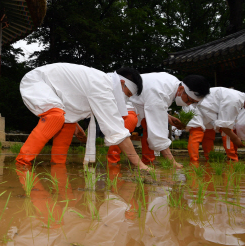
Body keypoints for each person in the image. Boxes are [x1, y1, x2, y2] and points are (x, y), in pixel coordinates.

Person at [16, 63, 149, 170]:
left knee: (67, 125)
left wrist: (74, 123)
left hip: (53, 90)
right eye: (128, 94)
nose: (125, 99)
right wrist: (140, 165)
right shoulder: (102, 86)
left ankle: (57, 166)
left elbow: (70, 102)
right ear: (121, 83)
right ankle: (22, 163)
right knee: (55, 117)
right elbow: (117, 132)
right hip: (37, 82)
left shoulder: (101, 82)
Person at [110, 73, 210, 169]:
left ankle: (148, 161)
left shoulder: (172, 83)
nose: (189, 104)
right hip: (122, 99)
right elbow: (158, 132)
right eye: (189, 101)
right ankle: (112, 161)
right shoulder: (161, 91)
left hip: (137, 103)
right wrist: (172, 162)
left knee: (148, 125)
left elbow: (152, 105)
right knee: (130, 121)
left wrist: (167, 116)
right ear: (181, 89)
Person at [187, 87, 245, 162]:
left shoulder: (237, 100)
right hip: (196, 108)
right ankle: (194, 162)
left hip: (208, 112)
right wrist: (235, 138)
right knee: (196, 133)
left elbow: (225, 125)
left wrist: (234, 137)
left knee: (209, 136)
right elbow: (224, 126)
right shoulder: (234, 100)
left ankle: (210, 159)